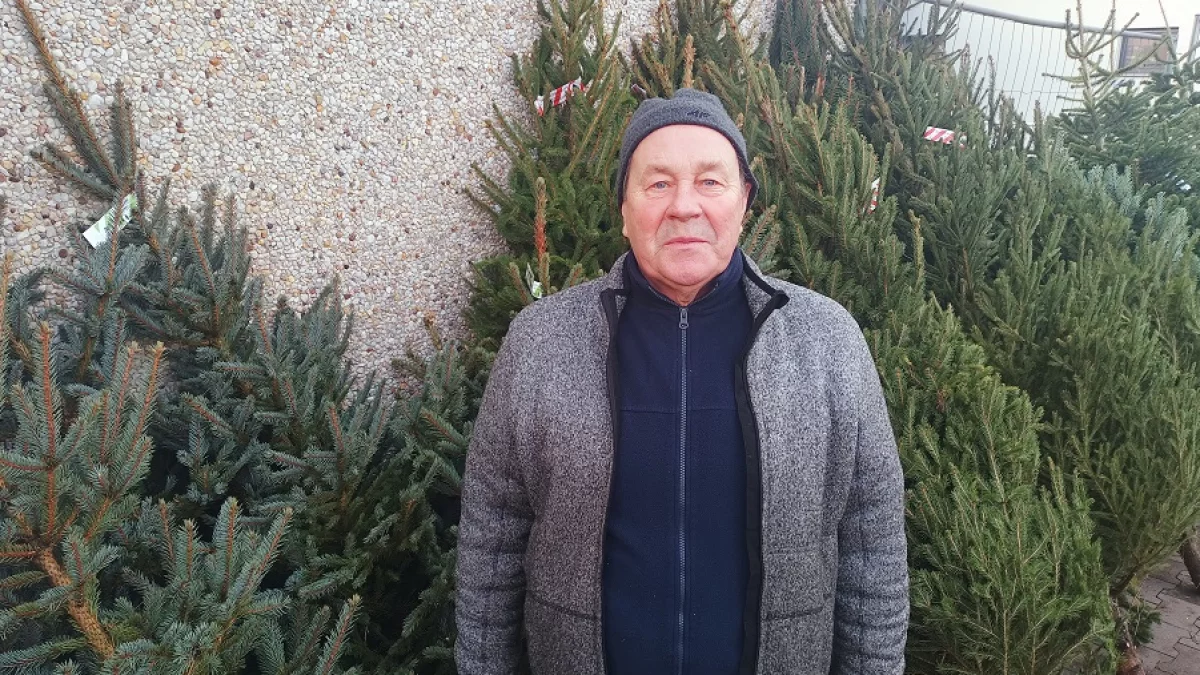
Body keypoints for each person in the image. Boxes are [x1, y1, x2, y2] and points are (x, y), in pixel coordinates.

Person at [455, 88, 908, 675]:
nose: (684, 206)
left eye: (710, 182)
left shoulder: (827, 339)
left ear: (744, 202)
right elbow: (492, 533)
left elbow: (872, 538)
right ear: (624, 209)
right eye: (658, 183)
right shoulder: (541, 340)